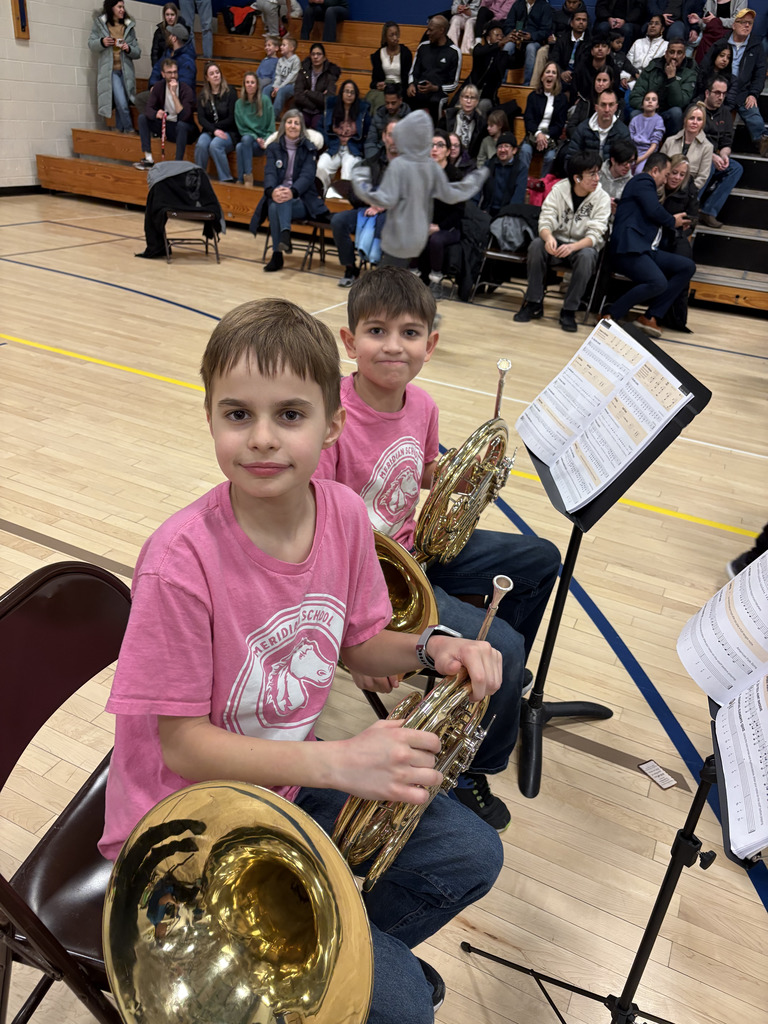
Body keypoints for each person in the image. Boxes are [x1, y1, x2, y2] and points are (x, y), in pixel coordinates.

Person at [98, 295, 505, 1024]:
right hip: (182, 828)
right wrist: (339, 761)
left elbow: (354, 645)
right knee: (404, 1006)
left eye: (289, 415)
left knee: (470, 857)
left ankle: (311, 983)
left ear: (332, 425)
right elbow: (180, 744)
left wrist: (430, 647)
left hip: (281, 782)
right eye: (236, 414)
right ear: (211, 418)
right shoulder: (179, 562)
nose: (261, 439)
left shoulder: (345, 515)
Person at [315, 267, 561, 829]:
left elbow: (422, 471)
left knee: (541, 558)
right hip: (375, 579)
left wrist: (464, 474)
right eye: (376, 332)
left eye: (409, 333)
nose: (393, 346)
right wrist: (358, 635)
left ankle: (495, 681)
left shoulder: (422, 406)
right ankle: (475, 767)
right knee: (500, 640)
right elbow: (321, 527)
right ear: (350, 342)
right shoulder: (334, 418)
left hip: (419, 548)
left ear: (431, 344)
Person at [351, 110, 488, 268]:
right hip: (418, 238)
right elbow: (451, 194)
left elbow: (384, 199)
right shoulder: (431, 167)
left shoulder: (399, 165)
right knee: (398, 282)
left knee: (386, 283)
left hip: (398, 237)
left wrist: (361, 182)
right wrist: (475, 180)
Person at [514, 151, 611, 331]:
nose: (597, 178)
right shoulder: (559, 189)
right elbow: (545, 220)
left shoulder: (602, 198)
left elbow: (596, 234)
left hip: (580, 246)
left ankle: (569, 310)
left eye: (598, 173)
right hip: (556, 241)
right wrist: (548, 237)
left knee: (588, 256)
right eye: (592, 174)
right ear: (577, 178)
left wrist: (573, 246)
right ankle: (534, 302)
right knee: (536, 245)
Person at [608, 152, 695, 334]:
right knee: (658, 282)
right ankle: (610, 313)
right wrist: (673, 221)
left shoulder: (645, 186)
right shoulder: (642, 181)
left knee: (687, 266)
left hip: (645, 248)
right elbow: (654, 210)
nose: (666, 180)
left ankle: (650, 316)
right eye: (666, 175)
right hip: (628, 248)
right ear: (655, 171)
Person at [250, 110, 330, 272]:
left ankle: (277, 254)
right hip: (279, 197)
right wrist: (272, 191)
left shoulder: (309, 148)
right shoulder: (274, 147)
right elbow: (270, 172)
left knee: (279, 201)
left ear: (301, 127)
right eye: (289, 122)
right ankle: (284, 238)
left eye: (296, 123)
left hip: (302, 200)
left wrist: (292, 192)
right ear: (283, 125)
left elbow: (307, 177)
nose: (292, 126)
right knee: (275, 203)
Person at [332, 118, 398, 286]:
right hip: (368, 211)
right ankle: (350, 267)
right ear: (384, 137)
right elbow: (353, 193)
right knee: (339, 220)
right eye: (391, 134)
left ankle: (381, 275)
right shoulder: (371, 162)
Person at [694, 73, 742, 227]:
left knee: (736, 168)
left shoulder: (725, 114)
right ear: (707, 93)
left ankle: (708, 211)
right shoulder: (696, 109)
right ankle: (692, 208)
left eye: (724, 93)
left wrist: (724, 155)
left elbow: (727, 141)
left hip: (715, 155)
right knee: (708, 163)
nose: (721, 97)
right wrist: (713, 156)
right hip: (695, 153)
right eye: (717, 93)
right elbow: (694, 135)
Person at [88, 0, 141, 135]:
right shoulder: (101, 25)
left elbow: (137, 52)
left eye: (123, 7)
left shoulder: (128, 26)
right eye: (119, 7)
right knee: (122, 104)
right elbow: (91, 44)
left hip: (126, 71)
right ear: (111, 8)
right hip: (111, 71)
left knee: (121, 103)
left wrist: (128, 48)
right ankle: (129, 130)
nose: (122, 10)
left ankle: (120, 129)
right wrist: (102, 42)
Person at [658, 154, 698, 330]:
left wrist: (684, 229)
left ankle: (677, 318)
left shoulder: (689, 189)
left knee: (685, 260)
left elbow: (693, 218)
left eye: (682, 175)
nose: (677, 178)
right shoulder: (655, 186)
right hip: (654, 234)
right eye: (674, 172)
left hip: (676, 235)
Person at [134, 59, 196, 170]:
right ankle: (148, 158)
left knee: (182, 125)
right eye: (169, 72)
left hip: (185, 130)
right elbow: (148, 108)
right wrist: (156, 114)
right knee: (143, 118)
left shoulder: (186, 90)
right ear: (163, 74)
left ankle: (178, 164)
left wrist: (173, 94)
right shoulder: (159, 87)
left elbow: (184, 116)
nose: (173, 75)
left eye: (175, 72)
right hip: (167, 125)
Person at [629, 38, 698, 133]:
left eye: (679, 53)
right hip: (648, 111)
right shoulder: (653, 67)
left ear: (684, 56)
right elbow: (635, 96)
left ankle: (670, 145)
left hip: (668, 114)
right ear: (666, 54)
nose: (674, 56)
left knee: (676, 112)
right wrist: (649, 107)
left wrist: (672, 78)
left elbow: (679, 103)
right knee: (635, 114)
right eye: (672, 52)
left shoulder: (690, 73)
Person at [726, 9, 768, 156]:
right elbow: (709, 67)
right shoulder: (722, 43)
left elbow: (760, 74)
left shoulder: (756, 46)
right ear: (733, 25)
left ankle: (764, 142)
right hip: (723, 89)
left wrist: (753, 93)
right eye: (742, 22)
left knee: (754, 115)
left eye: (749, 23)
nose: (746, 26)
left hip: (744, 91)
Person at [317, 80, 370, 193]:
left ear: (356, 95)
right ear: (341, 93)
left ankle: (342, 202)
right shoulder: (331, 108)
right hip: (334, 147)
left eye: (352, 92)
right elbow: (320, 127)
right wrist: (329, 142)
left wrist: (359, 147)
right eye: (346, 91)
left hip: (352, 148)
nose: (349, 95)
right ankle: (322, 196)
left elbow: (368, 133)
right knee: (322, 165)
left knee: (348, 168)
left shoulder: (362, 111)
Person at [518, 61, 569, 179]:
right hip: (533, 135)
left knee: (551, 157)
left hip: (551, 139)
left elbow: (559, 125)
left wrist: (545, 137)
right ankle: (522, 182)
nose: (550, 75)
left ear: (557, 78)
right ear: (542, 77)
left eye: (554, 73)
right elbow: (529, 119)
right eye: (547, 72)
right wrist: (538, 134)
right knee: (525, 151)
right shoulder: (533, 96)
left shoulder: (561, 99)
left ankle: (542, 184)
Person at [407, 16, 462, 123]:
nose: (427, 33)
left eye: (431, 30)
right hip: (419, 89)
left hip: (438, 93)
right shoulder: (423, 47)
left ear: (441, 30)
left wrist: (435, 88)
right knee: (407, 95)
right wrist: (411, 84)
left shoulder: (454, 52)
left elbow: (454, 84)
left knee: (436, 101)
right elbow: (413, 72)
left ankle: (435, 133)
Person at [194, 63, 239, 183]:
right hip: (210, 131)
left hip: (229, 131)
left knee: (215, 145)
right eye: (212, 74)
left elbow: (231, 118)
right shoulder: (203, 96)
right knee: (201, 144)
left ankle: (226, 179)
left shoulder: (231, 92)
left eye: (217, 72)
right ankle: (200, 179)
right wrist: (214, 130)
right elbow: (201, 119)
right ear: (207, 78)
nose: (215, 76)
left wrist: (217, 129)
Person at [566, 88, 632, 164]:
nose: (607, 109)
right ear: (596, 107)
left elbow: (625, 162)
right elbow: (570, 159)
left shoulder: (623, 131)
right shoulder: (583, 128)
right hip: (586, 172)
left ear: (616, 107)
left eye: (611, 105)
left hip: (611, 174)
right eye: (603, 105)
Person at [661, 101, 714, 190]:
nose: (695, 122)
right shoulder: (670, 141)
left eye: (699, 119)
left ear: (703, 123)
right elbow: (661, 167)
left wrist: (685, 193)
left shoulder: (707, 147)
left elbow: (702, 178)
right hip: (665, 188)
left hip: (687, 194)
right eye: (691, 118)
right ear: (685, 120)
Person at [235, 73, 275, 186]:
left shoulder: (265, 100)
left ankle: (244, 180)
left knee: (241, 145)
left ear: (257, 85)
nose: (250, 85)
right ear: (244, 85)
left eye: (252, 82)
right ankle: (244, 178)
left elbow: (271, 127)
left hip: (263, 143)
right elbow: (241, 128)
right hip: (249, 141)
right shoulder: (239, 104)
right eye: (247, 82)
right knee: (243, 143)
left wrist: (264, 141)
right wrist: (255, 138)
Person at [502, 0, 555, 85]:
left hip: (534, 41)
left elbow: (546, 30)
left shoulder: (544, 6)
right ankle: (501, 81)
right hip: (516, 39)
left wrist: (532, 36)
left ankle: (527, 84)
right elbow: (508, 24)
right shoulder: (517, 4)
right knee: (507, 47)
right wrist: (513, 33)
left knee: (531, 48)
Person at [293, 42, 341, 131]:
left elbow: (328, 99)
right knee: (296, 125)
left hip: (320, 111)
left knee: (317, 127)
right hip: (303, 109)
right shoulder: (303, 72)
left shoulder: (330, 75)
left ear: (324, 57)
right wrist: (315, 103)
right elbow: (298, 95)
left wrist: (308, 93)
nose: (315, 57)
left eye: (319, 54)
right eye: (313, 54)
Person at [367, 22, 413, 114]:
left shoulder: (406, 53)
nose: (395, 38)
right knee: (371, 100)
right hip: (384, 87)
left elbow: (408, 78)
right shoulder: (378, 54)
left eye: (396, 34)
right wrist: (377, 85)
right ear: (385, 37)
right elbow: (373, 82)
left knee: (382, 101)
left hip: (399, 88)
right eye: (391, 35)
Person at [479, 130, 527, 215]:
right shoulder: (488, 164)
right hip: (488, 210)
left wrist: (508, 213)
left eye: (506, 146)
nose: (502, 150)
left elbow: (518, 196)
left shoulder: (521, 168)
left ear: (514, 150)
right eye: (500, 147)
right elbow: (477, 188)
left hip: (508, 212)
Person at [549, 7, 591, 99]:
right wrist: (561, 73)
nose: (581, 22)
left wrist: (573, 75)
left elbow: (587, 65)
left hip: (579, 79)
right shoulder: (562, 39)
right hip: (562, 76)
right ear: (571, 23)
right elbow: (553, 60)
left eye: (584, 20)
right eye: (578, 19)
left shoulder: (590, 42)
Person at [441, 85, 487, 161]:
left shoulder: (481, 123)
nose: (468, 101)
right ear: (460, 99)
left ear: (477, 102)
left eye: (472, 98)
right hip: (447, 158)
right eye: (466, 97)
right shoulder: (448, 116)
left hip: (469, 162)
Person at [148, 21, 197, 92]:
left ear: (174, 38)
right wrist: (153, 85)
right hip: (162, 92)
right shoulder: (168, 52)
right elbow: (157, 69)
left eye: (170, 35)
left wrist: (160, 90)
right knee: (141, 98)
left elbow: (184, 85)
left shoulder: (187, 61)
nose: (168, 37)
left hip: (178, 97)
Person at [364, 84, 409, 158]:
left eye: (393, 103)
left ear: (400, 100)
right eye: (387, 103)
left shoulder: (409, 119)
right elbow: (370, 143)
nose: (389, 106)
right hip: (379, 156)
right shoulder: (378, 116)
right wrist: (375, 162)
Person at [599, 137, 638, 216]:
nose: (628, 166)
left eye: (631, 162)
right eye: (624, 162)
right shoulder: (597, 173)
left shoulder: (631, 183)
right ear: (613, 160)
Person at [629, 89, 665, 172]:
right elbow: (630, 140)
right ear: (642, 105)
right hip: (633, 152)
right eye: (647, 99)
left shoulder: (658, 120)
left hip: (648, 154)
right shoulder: (635, 119)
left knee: (639, 171)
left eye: (653, 100)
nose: (650, 102)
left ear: (657, 105)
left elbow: (654, 145)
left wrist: (640, 159)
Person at [627, 14, 669, 83]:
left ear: (662, 29)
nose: (652, 26)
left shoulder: (666, 46)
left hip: (651, 82)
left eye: (656, 24)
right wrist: (625, 77)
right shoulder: (638, 42)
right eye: (651, 23)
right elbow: (627, 63)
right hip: (632, 78)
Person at [271, 35, 301, 120]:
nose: (281, 47)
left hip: (291, 86)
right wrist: (275, 87)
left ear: (291, 48)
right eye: (281, 45)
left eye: (284, 45)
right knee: (266, 89)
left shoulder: (296, 60)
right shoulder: (280, 60)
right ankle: (263, 114)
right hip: (280, 85)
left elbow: (292, 77)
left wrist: (279, 88)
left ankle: (274, 117)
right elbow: (278, 75)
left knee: (281, 91)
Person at [149, 3, 188, 69]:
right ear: (164, 16)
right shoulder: (159, 32)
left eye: (172, 15)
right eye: (167, 15)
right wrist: (157, 69)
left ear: (176, 15)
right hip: (163, 67)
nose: (170, 17)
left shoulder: (182, 31)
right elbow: (154, 53)